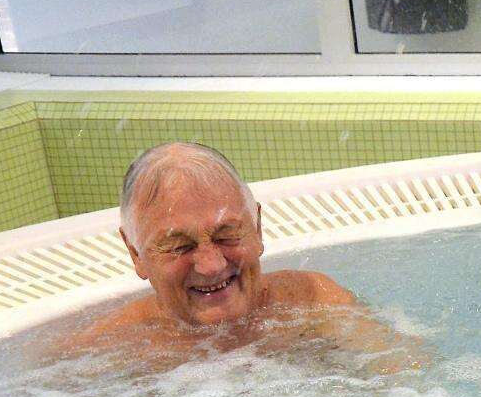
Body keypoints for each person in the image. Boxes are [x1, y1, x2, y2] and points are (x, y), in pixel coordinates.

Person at [60, 141, 390, 361]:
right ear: (135, 254)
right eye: (179, 246)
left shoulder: (316, 303)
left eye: (227, 236)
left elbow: (403, 387)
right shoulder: (104, 352)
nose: (212, 265)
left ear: (257, 229)